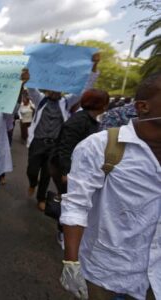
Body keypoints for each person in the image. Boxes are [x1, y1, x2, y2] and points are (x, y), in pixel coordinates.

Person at [59, 72, 161, 300]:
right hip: (106, 273)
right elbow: (76, 204)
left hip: (155, 279)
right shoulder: (100, 146)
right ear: (143, 107)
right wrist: (71, 261)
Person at [22, 54, 100, 211]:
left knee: (46, 174)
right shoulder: (40, 100)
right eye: (53, 87)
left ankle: (41, 198)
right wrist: (27, 77)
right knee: (32, 169)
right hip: (37, 142)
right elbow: (31, 88)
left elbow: (85, 88)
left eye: (59, 88)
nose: (55, 90)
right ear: (48, 88)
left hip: (54, 145)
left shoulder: (66, 102)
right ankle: (32, 183)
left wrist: (94, 66)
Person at [49, 89, 110, 249]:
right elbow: (65, 148)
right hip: (66, 169)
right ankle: (63, 232)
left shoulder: (90, 120)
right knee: (69, 202)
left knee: (73, 201)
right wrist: (65, 172)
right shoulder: (79, 121)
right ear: (101, 104)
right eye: (106, 102)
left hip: (76, 168)